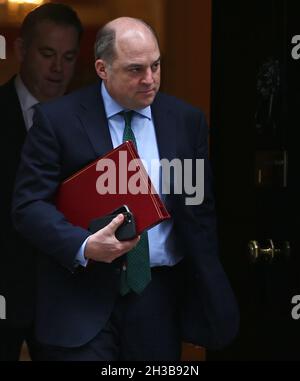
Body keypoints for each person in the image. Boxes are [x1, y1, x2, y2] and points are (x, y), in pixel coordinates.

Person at [12, 17, 239, 361]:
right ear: (102, 69)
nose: (150, 80)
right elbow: (28, 206)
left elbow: (197, 209)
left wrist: (210, 292)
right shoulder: (58, 119)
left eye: (156, 66)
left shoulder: (185, 122)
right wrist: (84, 245)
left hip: (157, 299)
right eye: (135, 69)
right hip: (80, 300)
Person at [0, 3, 83, 361]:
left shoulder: (92, 119)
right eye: (47, 54)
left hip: (70, 300)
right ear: (21, 50)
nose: (57, 69)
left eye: (68, 56)